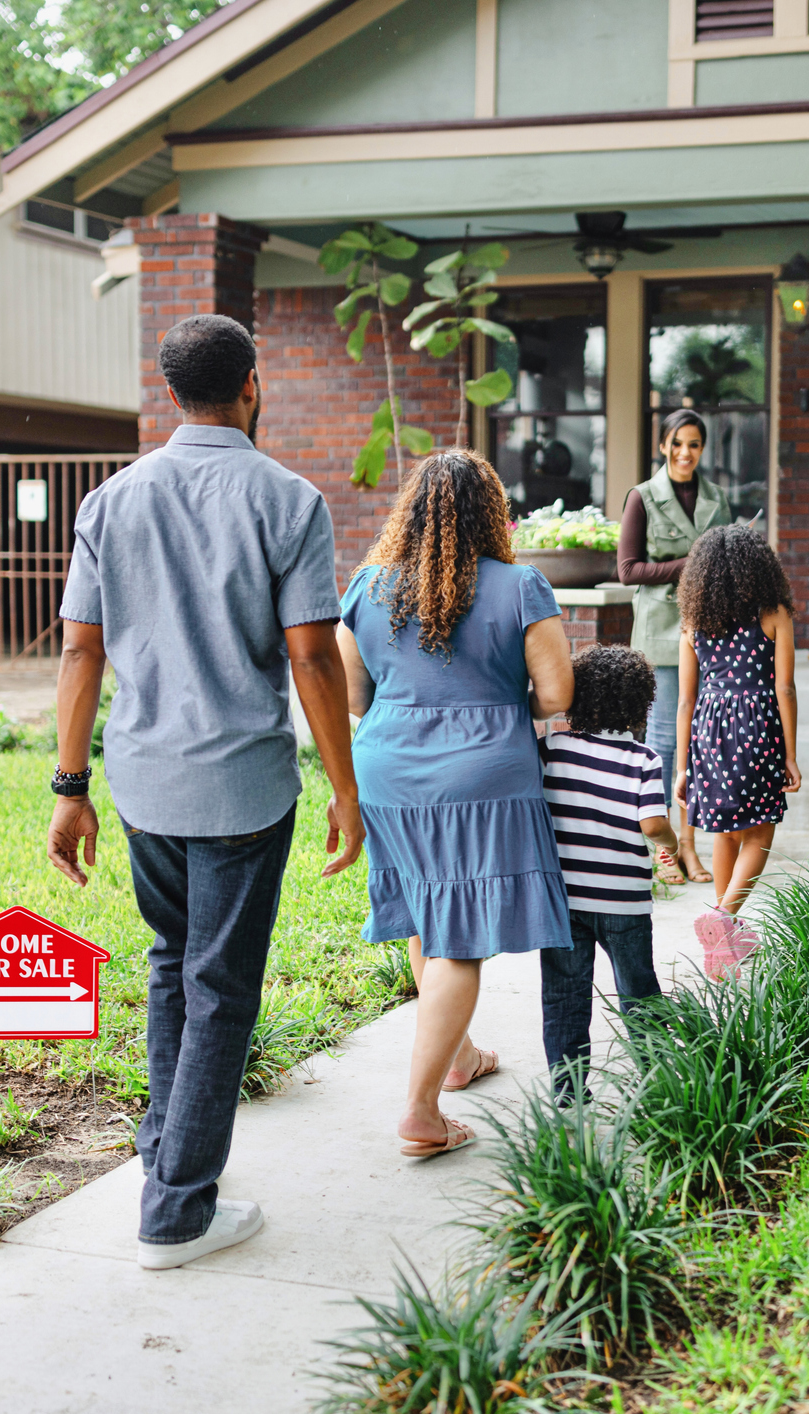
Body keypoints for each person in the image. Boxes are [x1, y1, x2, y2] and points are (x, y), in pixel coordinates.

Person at [47, 314, 364, 1271]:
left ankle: (165, 1160)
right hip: (243, 790)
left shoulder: (110, 503)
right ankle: (177, 1210)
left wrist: (69, 787)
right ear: (253, 386)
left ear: (172, 394)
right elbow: (312, 655)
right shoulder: (292, 501)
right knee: (219, 987)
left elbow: (79, 649)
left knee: (172, 962)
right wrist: (346, 789)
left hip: (143, 784)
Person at [336, 449, 575, 1158]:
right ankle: (420, 1110)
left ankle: (460, 1055)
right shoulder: (520, 586)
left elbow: (353, 695)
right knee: (459, 936)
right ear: (488, 514)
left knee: (425, 908)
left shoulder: (369, 586)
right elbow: (557, 694)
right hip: (484, 777)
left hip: (387, 771)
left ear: (410, 513)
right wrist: (495, 703)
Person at [538, 644, 675, 1103]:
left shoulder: (552, 748)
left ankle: (567, 1089)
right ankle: (657, 1082)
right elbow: (653, 823)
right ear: (640, 704)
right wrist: (670, 846)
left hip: (565, 900)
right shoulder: (644, 760)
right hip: (623, 900)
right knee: (638, 991)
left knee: (564, 993)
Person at [674, 524, 801, 975]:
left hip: (709, 728)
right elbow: (784, 687)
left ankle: (721, 947)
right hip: (757, 725)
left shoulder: (694, 620)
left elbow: (685, 698)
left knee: (724, 833)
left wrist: (681, 767)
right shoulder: (774, 613)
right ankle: (723, 918)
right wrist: (789, 754)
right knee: (760, 834)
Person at [617, 409, 730, 887]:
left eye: (695, 445)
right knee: (664, 741)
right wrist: (690, 564)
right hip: (663, 632)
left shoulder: (717, 499)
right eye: (678, 443)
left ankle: (691, 844)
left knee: (701, 742)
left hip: (710, 630)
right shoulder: (641, 497)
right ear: (664, 445)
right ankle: (660, 846)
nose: (686, 453)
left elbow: (726, 565)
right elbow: (628, 570)